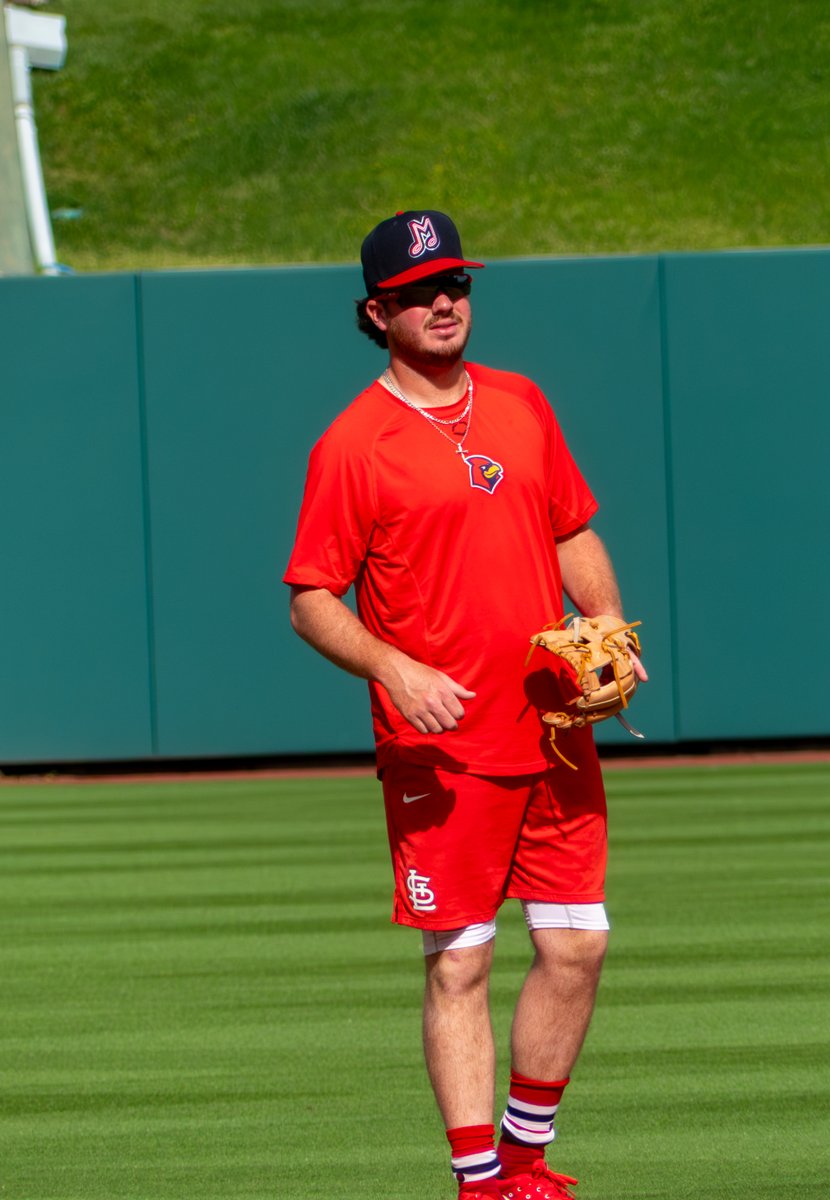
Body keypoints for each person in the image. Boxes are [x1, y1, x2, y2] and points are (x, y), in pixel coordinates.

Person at [284, 210, 646, 1200]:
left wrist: (604, 620)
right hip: (443, 753)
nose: (445, 302)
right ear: (376, 312)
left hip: (553, 728)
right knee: (460, 966)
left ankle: (528, 1163)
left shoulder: (522, 403)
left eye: (457, 284)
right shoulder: (355, 446)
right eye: (417, 293)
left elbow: (570, 524)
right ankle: (479, 1180)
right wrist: (394, 669)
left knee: (578, 946)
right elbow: (312, 598)